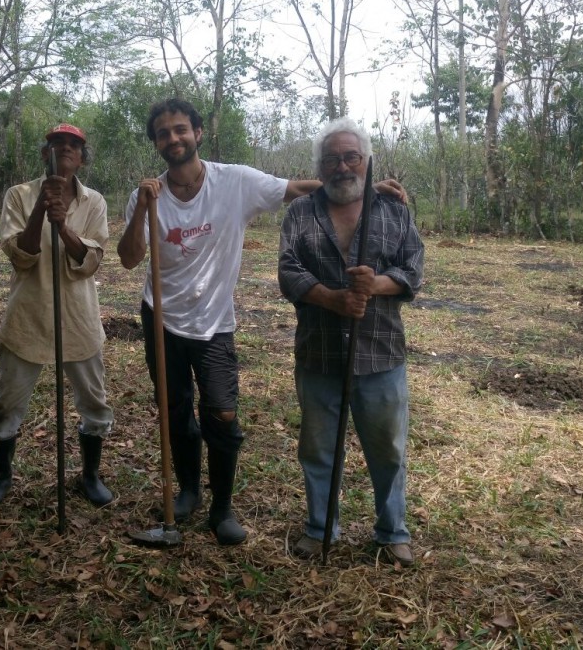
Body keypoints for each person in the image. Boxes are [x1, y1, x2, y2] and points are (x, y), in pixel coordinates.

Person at [118, 99, 406, 546]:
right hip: (162, 317)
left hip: (214, 320)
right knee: (175, 410)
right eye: (163, 133)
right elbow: (129, 258)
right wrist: (141, 207)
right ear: (156, 142)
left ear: (197, 132)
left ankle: (222, 508)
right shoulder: (146, 195)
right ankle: (189, 491)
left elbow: (297, 188)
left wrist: (362, 186)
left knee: (222, 411)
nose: (173, 139)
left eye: (180, 129)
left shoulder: (234, 180)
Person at [278, 117, 424, 567]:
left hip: (380, 354)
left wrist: (376, 285)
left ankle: (391, 532)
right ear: (319, 167)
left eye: (351, 157)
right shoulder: (300, 213)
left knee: (388, 450)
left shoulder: (393, 210)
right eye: (331, 159)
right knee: (319, 450)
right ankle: (320, 528)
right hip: (319, 354)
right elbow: (288, 272)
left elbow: (413, 269)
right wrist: (332, 298)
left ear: (365, 161)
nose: (342, 166)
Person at [0, 124, 114, 507]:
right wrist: (41, 207)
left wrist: (64, 226)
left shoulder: (95, 203)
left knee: (94, 402)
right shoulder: (19, 195)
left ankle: (89, 475)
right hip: (28, 316)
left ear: (82, 157)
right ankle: (3, 474)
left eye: (74, 145)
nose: (66, 149)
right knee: (8, 402)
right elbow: (20, 255)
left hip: (79, 320)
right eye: (58, 143)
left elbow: (90, 261)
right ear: (46, 153)